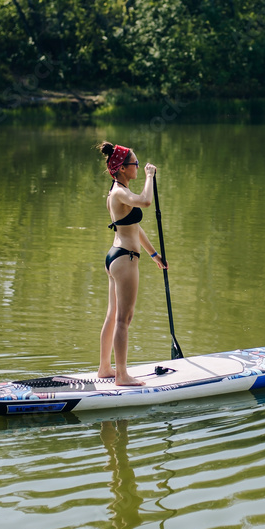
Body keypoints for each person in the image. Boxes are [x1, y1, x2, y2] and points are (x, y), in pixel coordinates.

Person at [97, 142, 167, 385]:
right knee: (123, 320)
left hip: (116, 257)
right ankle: (122, 375)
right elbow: (146, 202)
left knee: (113, 316)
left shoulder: (116, 192)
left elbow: (134, 228)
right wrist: (150, 176)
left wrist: (153, 254)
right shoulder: (119, 192)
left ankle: (105, 368)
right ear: (123, 168)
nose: (138, 166)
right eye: (135, 164)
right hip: (124, 260)